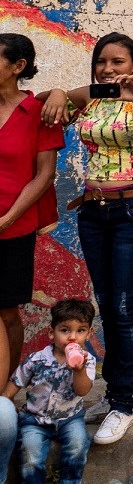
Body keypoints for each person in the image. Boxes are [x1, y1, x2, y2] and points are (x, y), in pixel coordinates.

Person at [40, 32, 133, 445]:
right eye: (102, 61)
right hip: (93, 211)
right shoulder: (94, 96)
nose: (109, 68)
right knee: (107, 303)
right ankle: (113, 394)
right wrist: (57, 92)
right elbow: (59, 99)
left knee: (125, 305)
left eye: (118, 62)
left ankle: (122, 402)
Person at [0, 35, 64, 381]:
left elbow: (45, 175)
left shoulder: (38, 113)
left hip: (14, 226)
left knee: (7, 310)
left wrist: (8, 218)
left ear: (18, 67)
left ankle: (6, 389)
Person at [4, 299, 96, 484]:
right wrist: (6, 398)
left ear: (89, 333)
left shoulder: (88, 361)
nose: (72, 337)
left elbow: (83, 390)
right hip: (35, 418)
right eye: (65, 330)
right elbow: (17, 379)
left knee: (79, 441)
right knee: (30, 449)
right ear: (51, 332)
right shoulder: (37, 359)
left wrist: (78, 370)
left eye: (80, 331)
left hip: (69, 417)